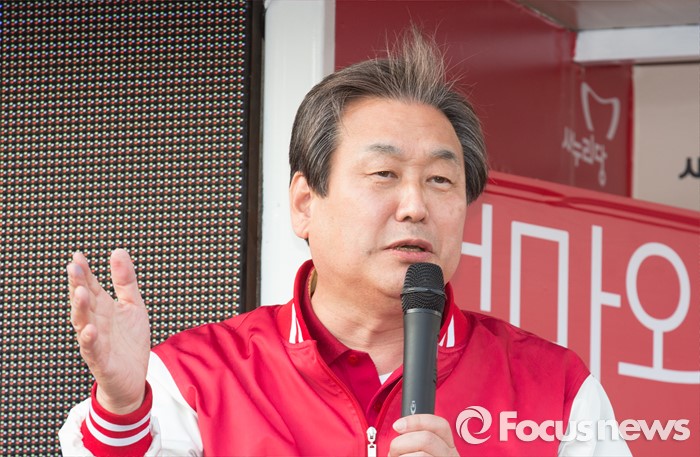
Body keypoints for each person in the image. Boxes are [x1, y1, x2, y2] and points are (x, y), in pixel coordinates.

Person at [59, 28, 632, 456]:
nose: (415, 206)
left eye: (440, 180)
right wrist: (123, 410)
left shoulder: (554, 389)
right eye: (384, 174)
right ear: (304, 203)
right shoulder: (196, 378)